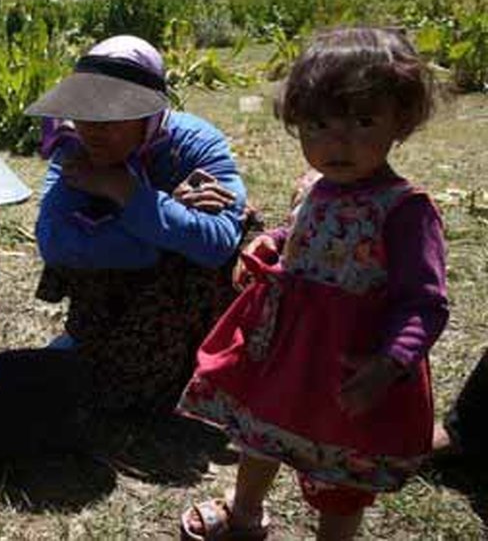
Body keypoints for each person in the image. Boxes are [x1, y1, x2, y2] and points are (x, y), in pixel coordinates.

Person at [177, 28, 448, 540]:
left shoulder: (405, 210)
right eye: (317, 125)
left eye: (363, 122)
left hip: (350, 366)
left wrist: (389, 364)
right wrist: (272, 242)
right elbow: (304, 227)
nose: (336, 143)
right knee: (260, 435)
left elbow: (425, 302)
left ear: (402, 121)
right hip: (289, 353)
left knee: (340, 474)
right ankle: (245, 513)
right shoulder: (316, 186)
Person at [0, 35, 248, 452]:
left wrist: (128, 193)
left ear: (150, 113)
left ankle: (190, 365)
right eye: (86, 114)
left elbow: (220, 241)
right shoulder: (75, 149)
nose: (93, 130)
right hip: (112, 292)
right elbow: (55, 241)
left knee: (246, 230)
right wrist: (164, 220)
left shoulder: (198, 145)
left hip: (179, 300)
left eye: (111, 117)